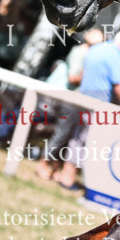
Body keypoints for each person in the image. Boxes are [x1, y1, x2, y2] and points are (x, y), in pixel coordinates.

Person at [56, 29, 120, 190]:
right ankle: (76, 180)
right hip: (98, 104)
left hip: (83, 98)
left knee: (78, 138)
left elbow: (83, 74)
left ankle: (67, 175)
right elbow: (119, 86)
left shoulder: (96, 49)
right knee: (88, 141)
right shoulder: (116, 56)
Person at [35, 27, 105, 183]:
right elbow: (72, 77)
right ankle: (42, 164)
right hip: (69, 98)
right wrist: (91, 75)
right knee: (62, 134)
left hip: (77, 99)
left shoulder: (89, 54)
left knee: (67, 136)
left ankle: (54, 169)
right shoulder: (80, 52)